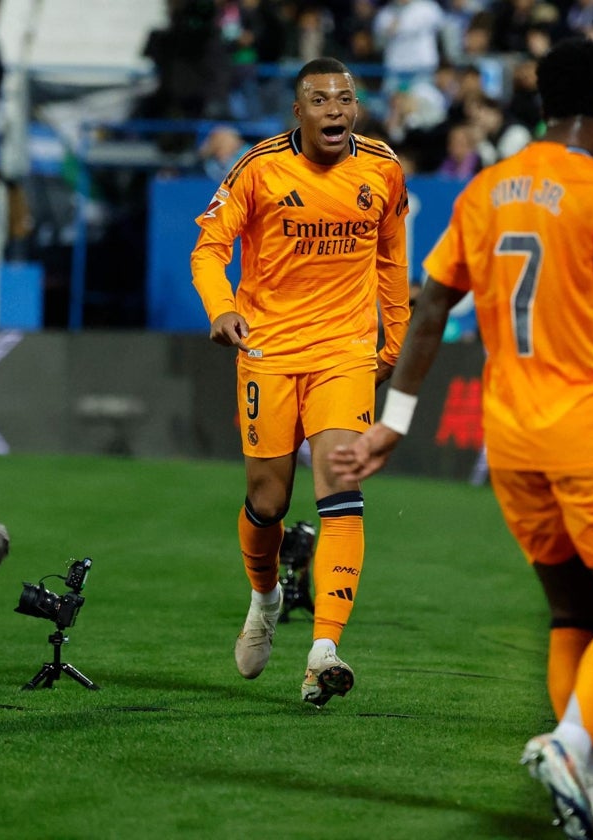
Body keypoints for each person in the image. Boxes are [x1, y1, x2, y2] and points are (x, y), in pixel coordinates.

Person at [329, 37, 593, 837]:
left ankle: (587, 783)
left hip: (513, 436)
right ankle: (571, 741)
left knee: (571, 612)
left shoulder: (487, 190)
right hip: (591, 427)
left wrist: (392, 424)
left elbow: (429, 308)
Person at [189, 57, 411, 707]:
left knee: (341, 484)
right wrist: (221, 306)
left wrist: (390, 341)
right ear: (299, 111)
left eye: (345, 98)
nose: (336, 110)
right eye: (321, 100)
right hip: (269, 350)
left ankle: (323, 652)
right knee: (269, 500)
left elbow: (393, 259)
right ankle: (264, 597)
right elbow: (208, 248)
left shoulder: (381, 168)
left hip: (344, 350)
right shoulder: (259, 168)